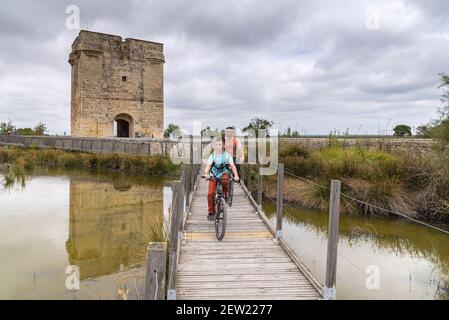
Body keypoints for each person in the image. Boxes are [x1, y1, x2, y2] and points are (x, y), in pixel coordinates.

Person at [203, 137, 240, 221]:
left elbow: (233, 166)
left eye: (219, 144)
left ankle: (225, 194)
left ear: (223, 146)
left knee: (225, 180)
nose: (217, 146)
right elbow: (208, 166)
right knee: (210, 194)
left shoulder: (227, 155)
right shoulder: (213, 155)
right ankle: (211, 212)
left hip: (223, 174)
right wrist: (206, 173)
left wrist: (236, 175)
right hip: (214, 175)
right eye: (216, 145)